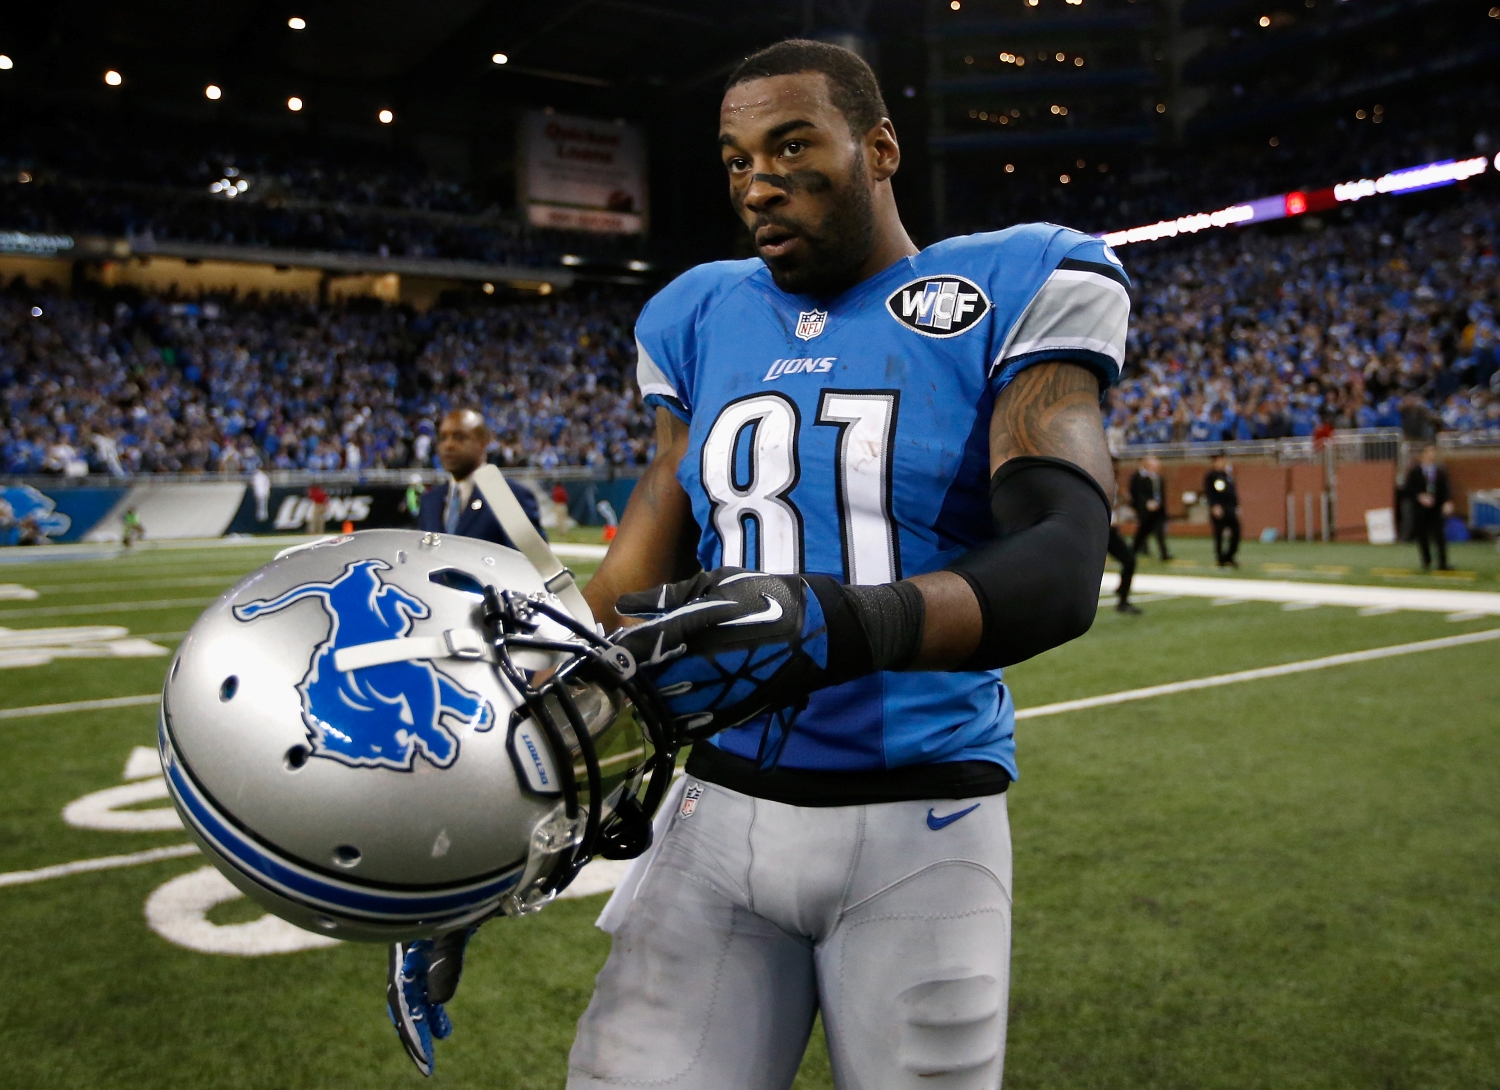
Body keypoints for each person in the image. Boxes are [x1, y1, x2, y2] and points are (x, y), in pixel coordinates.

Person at [383, 38, 1130, 1088]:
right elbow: (622, 595)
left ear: (878, 148)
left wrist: (842, 622)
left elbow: (1061, 562)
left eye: (790, 145)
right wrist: (467, 839)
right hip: (714, 805)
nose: (758, 183)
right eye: (736, 161)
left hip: (921, 818)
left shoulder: (1016, 280)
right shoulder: (699, 312)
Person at [416, 409, 544, 548]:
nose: (448, 445)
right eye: (442, 438)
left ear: (483, 442)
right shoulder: (430, 501)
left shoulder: (508, 498)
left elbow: (534, 567)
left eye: (459, 437)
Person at [1402, 444, 1453, 571]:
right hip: (1420, 510)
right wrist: (1420, 496)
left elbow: (1445, 489)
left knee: (1439, 535)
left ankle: (1443, 563)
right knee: (1422, 536)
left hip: (1435, 509)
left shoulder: (1439, 471)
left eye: (1433, 452)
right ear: (1423, 454)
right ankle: (1427, 561)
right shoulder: (1416, 472)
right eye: (1429, 452)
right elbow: (1408, 490)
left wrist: (1447, 502)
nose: (1432, 455)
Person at [1129, 454, 1171, 560]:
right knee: (1142, 532)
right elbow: (1137, 494)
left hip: (1158, 511)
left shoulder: (1158, 478)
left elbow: (1162, 495)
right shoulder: (1140, 478)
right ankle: (1134, 550)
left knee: (1160, 532)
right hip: (1145, 511)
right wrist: (1146, 503)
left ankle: (1164, 553)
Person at [1203, 452, 1240, 568]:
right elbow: (1210, 493)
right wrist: (1214, 506)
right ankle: (1220, 558)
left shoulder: (1227, 475)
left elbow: (1232, 493)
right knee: (1219, 534)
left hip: (1230, 508)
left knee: (1236, 531)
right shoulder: (1212, 476)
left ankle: (1229, 556)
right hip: (1219, 508)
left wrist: (1236, 506)